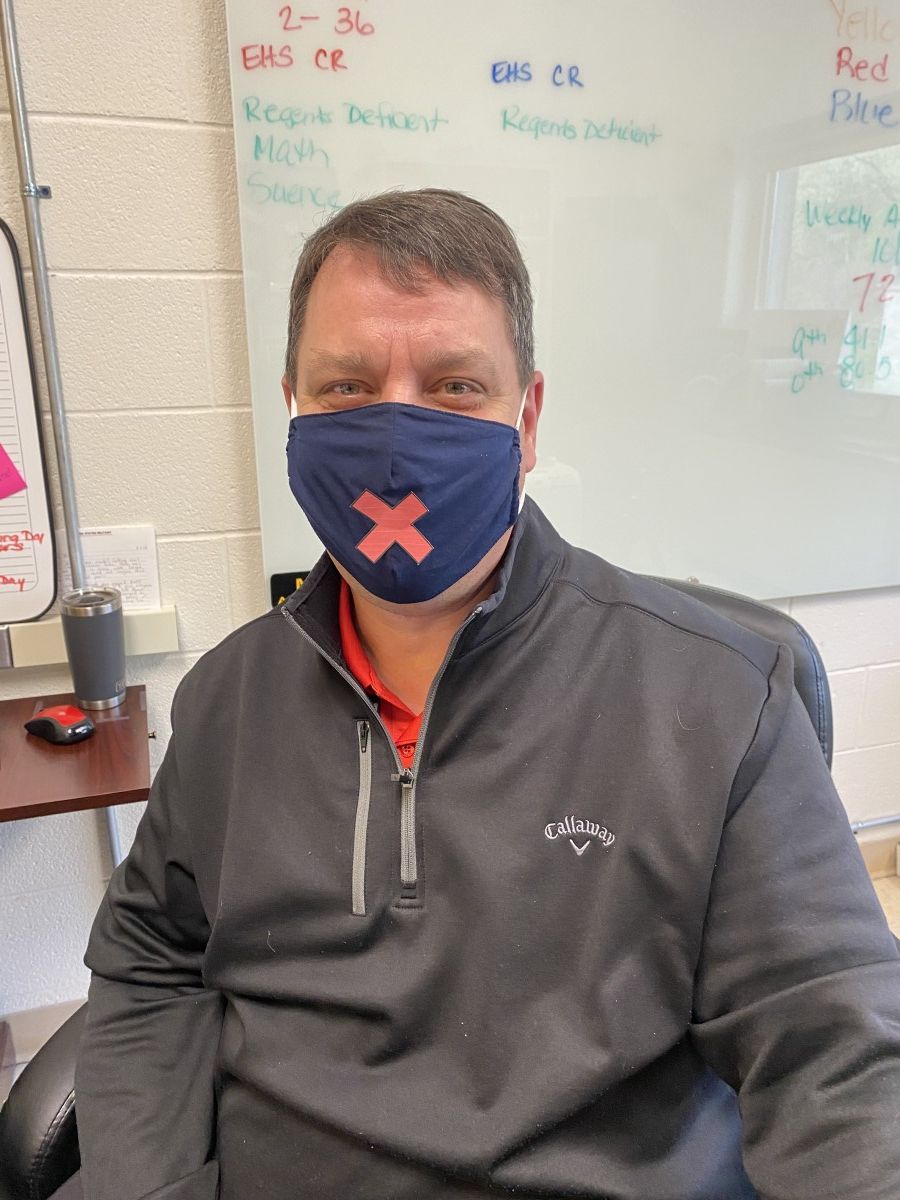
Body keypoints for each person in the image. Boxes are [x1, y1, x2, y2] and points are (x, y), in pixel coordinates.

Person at [75, 189, 900, 1200]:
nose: (395, 439)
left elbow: (839, 1054)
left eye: (455, 385)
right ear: (290, 402)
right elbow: (152, 960)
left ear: (529, 417)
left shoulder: (720, 698)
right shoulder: (224, 705)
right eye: (347, 388)